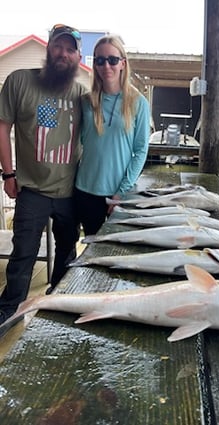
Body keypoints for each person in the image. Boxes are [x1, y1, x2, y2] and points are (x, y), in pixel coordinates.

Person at [0, 24, 87, 325]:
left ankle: (56, 308)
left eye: (70, 49)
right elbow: (3, 126)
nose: (63, 53)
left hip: (70, 191)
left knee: (67, 253)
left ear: (78, 57)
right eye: (58, 46)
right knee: (23, 254)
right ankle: (10, 310)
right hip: (32, 190)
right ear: (49, 49)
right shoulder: (20, 81)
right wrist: (8, 174)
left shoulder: (82, 95)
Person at [74, 34, 150, 236]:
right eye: (100, 60)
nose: (106, 66)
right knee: (91, 248)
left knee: (118, 251)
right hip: (85, 190)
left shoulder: (138, 102)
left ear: (123, 63)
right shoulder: (85, 101)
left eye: (112, 60)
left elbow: (141, 150)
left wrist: (122, 192)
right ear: (95, 65)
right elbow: (79, 141)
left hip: (118, 193)